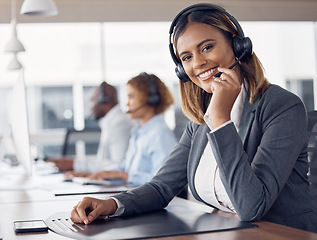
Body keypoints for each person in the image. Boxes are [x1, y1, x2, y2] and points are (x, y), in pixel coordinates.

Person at [70, 3, 317, 233]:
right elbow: (161, 186)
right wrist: (111, 204)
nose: (198, 63)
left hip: (280, 234)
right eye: (186, 57)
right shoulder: (200, 121)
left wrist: (221, 121)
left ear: (238, 45)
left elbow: (251, 206)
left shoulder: (282, 107)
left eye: (207, 47)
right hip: (224, 231)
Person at [65, 72, 177, 187]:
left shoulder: (160, 133)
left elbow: (163, 180)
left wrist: (124, 176)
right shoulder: (140, 132)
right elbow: (125, 166)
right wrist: (94, 175)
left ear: (151, 98)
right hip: (134, 193)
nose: (127, 103)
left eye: (131, 97)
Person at [47, 82, 133, 173]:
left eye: (92, 100)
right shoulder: (110, 122)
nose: (90, 107)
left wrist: (75, 165)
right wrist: (74, 163)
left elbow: (118, 165)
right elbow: (103, 161)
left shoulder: (120, 124)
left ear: (103, 99)